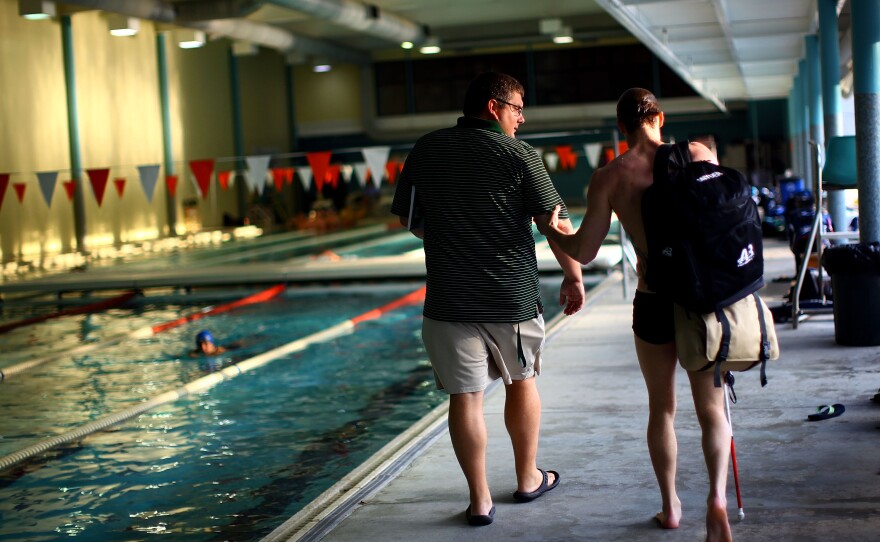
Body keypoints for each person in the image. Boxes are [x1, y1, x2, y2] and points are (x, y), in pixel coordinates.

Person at [534, 88, 734, 542]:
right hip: (703, 297)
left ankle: (670, 507)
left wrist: (552, 230)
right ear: (659, 118)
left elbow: (583, 251)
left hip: (653, 297)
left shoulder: (610, 177)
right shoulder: (700, 153)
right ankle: (717, 499)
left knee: (662, 407)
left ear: (620, 129)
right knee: (712, 407)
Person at [390, 71, 585, 527]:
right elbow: (554, 224)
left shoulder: (427, 148)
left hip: (448, 303)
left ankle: (479, 501)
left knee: (465, 397)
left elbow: (412, 220)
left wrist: (455, 234)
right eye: (518, 108)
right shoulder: (520, 155)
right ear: (494, 107)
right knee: (522, 382)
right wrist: (573, 276)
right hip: (510, 298)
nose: (522, 118)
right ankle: (526, 479)